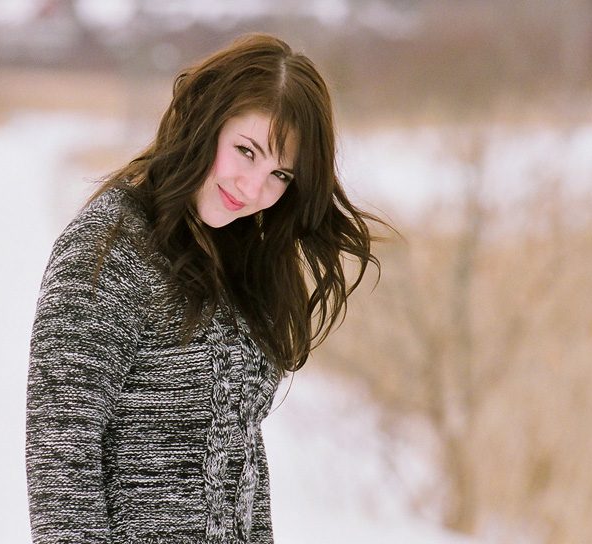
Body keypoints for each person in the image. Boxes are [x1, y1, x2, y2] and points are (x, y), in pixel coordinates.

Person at [25, 33, 386, 544]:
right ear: (205, 120)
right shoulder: (110, 248)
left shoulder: (234, 252)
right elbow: (61, 458)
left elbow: (242, 471)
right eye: (246, 151)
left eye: (280, 174)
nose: (253, 188)